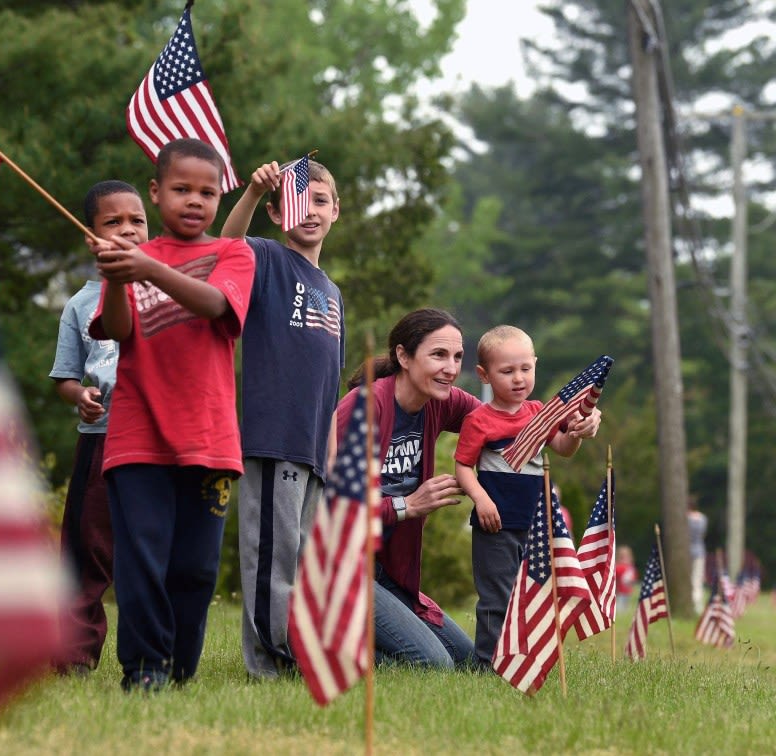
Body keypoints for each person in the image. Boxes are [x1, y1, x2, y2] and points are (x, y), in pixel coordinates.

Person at [88, 138, 255, 692]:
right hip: (137, 438)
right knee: (142, 561)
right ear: (156, 192)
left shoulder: (233, 254)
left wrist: (145, 270)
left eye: (207, 192)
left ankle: (181, 669)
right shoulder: (133, 256)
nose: (194, 201)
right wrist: (117, 279)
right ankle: (145, 670)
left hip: (210, 441)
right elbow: (117, 330)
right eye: (181, 189)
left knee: (196, 569)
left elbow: (215, 306)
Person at [220, 159, 345, 679]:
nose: (310, 211)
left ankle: (282, 656)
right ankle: (274, 664)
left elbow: (331, 382)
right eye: (298, 201)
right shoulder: (268, 258)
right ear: (276, 213)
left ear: (336, 210)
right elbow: (226, 245)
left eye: (320, 201)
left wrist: (333, 456)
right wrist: (250, 192)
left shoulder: (333, 292)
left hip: (313, 448)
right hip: (273, 439)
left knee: (298, 561)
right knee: (271, 558)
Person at [454, 325, 601, 669]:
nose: (518, 378)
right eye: (507, 371)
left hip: (537, 522)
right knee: (496, 596)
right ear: (484, 375)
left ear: (535, 364)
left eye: (525, 368)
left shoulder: (539, 414)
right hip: (496, 524)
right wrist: (481, 498)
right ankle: (489, 663)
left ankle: (530, 658)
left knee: (536, 591)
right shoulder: (480, 420)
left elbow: (564, 449)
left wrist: (577, 431)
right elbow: (462, 467)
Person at [336, 308, 477, 669]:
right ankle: (314, 649)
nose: (451, 368)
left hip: (384, 570)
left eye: (457, 356)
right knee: (434, 666)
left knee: (467, 660)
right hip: (340, 565)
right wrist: (406, 505)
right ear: (403, 356)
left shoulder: (439, 402)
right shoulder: (364, 407)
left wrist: (568, 422)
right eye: (439, 355)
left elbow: (503, 422)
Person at [49, 180, 148, 674]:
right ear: (90, 235)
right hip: (100, 442)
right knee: (88, 549)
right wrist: (81, 396)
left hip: (153, 443)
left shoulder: (163, 286)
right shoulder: (79, 305)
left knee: (149, 552)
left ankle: (151, 653)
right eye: (113, 222)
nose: (127, 229)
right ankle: (74, 655)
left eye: (136, 220)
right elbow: (65, 378)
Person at [687, 496, 708, 613]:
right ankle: (697, 605)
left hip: (687, 551)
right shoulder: (703, 519)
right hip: (699, 550)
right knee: (697, 580)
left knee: (690, 580)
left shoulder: (686, 519)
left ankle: (693, 603)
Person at [615, 545, 638, 612]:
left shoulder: (630, 568)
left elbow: (633, 578)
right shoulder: (618, 567)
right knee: (619, 605)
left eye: (626, 557)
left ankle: (624, 612)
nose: (624, 559)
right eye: (622, 557)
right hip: (619, 591)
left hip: (628, 591)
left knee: (625, 605)